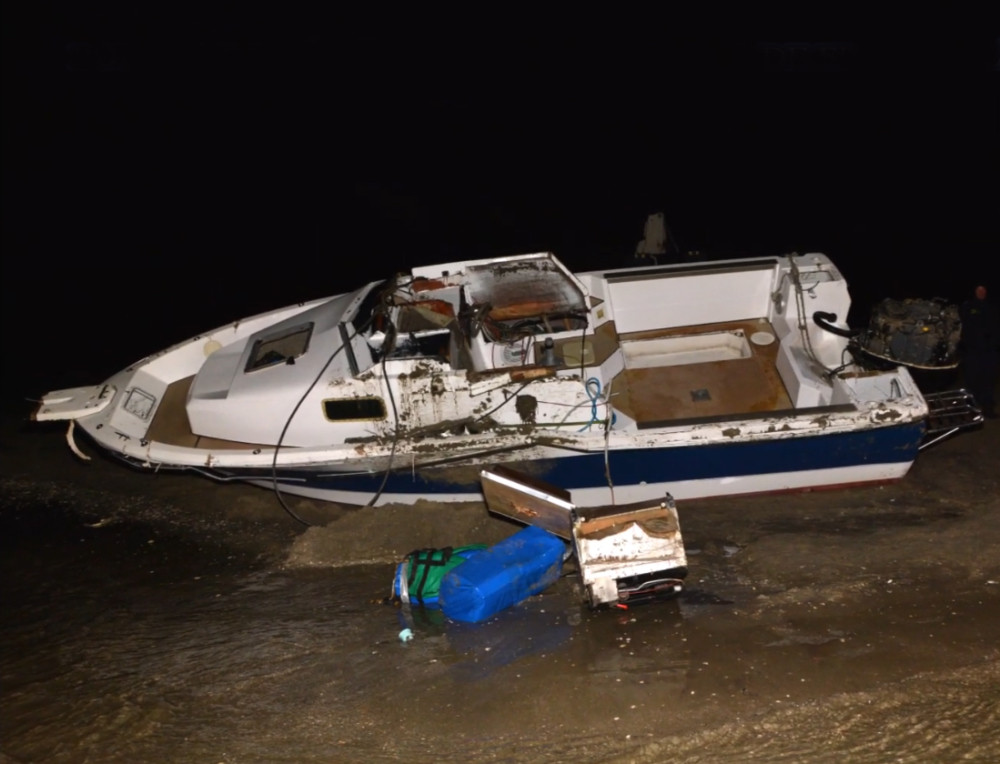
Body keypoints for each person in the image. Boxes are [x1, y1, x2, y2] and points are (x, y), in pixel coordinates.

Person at [959, 284, 999, 417]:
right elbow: (965, 326)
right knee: (972, 381)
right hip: (972, 351)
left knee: (988, 381)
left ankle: (988, 410)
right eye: (979, 290)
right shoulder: (968, 306)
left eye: (983, 290)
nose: (981, 293)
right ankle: (972, 411)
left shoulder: (992, 307)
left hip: (989, 351)